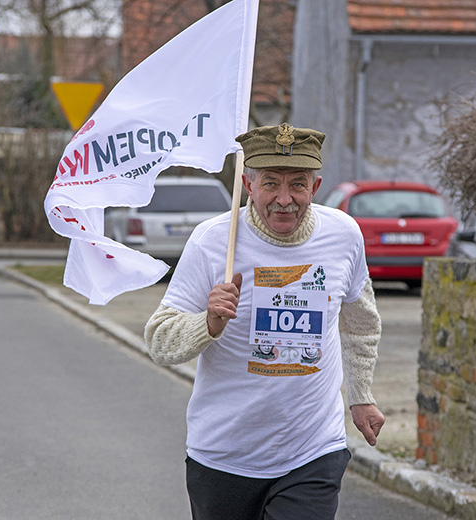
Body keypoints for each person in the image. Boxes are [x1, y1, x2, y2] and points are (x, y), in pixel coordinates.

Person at [144, 122, 385, 520]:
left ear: (316, 187)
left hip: (313, 449)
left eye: (298, 184)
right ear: (248, 184)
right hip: (224, 455)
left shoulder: (343, 235)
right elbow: (159, 339)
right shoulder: (213, 242)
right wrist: (207, 324)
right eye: (271, 183)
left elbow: (361, 323)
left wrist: (360, 396)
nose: (284, 199)